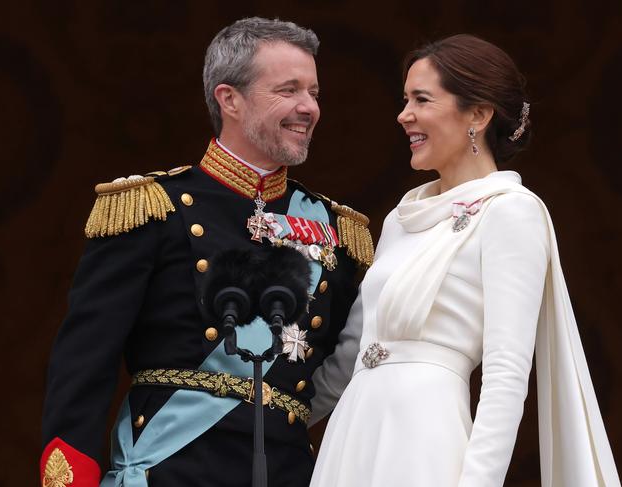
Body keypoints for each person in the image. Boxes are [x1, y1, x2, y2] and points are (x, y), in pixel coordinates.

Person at [40, 17, 373, 487]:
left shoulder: (337, 230)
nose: (309, 108)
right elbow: (84, 364)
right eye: (289, 90)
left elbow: (350, 370)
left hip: (286, 473)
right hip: (168, 469)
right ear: (229, 98)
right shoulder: (154, 209)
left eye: (314, 93)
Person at [309, 34, 621, 487]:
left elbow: (506, 374)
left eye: (421, 99)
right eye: (404, 99)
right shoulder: (401, 217)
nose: (403, 115)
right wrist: (270, 421)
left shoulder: (510, 211)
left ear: (477, 114)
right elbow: (350, 355)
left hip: (424, 437)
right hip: (352, 434)